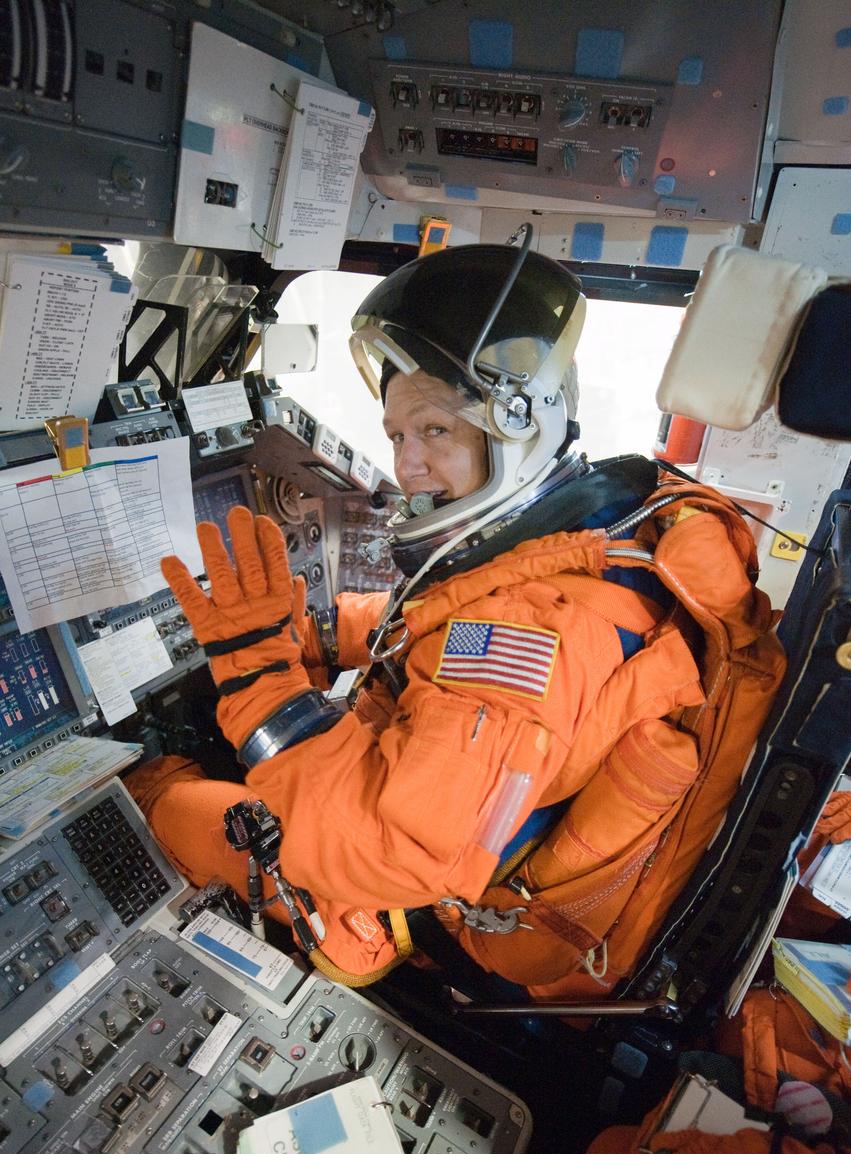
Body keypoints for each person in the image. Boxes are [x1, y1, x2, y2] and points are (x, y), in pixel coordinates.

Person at [127, 236, 781, 988]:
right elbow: (460, 617)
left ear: (516, 425)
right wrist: (315, 635)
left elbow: (382, 850)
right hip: (449, 804)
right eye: (398, 436)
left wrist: (261, 677)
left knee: (168, 800)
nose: (406, 467)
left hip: (411, 897)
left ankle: (340, 930)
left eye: (435, 430)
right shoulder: (613, 536)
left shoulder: (532, 638)